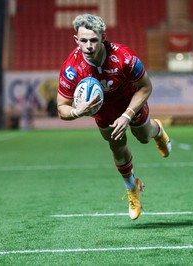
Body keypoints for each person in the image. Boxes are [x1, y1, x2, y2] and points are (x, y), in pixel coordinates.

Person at [57, 14, 171, 220]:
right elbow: (61, 108)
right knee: (117, 145)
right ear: (76, 40)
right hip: (102, 110)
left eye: (93, 40)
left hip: (129, 102)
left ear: (103, 37)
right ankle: (132, 188)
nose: (89, 46)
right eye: (83, 40)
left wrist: (127, 115)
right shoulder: (71, 69)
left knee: (143, 136)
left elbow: (146, 87)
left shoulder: (124, 58)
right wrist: (76, 112)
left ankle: (158, 131)